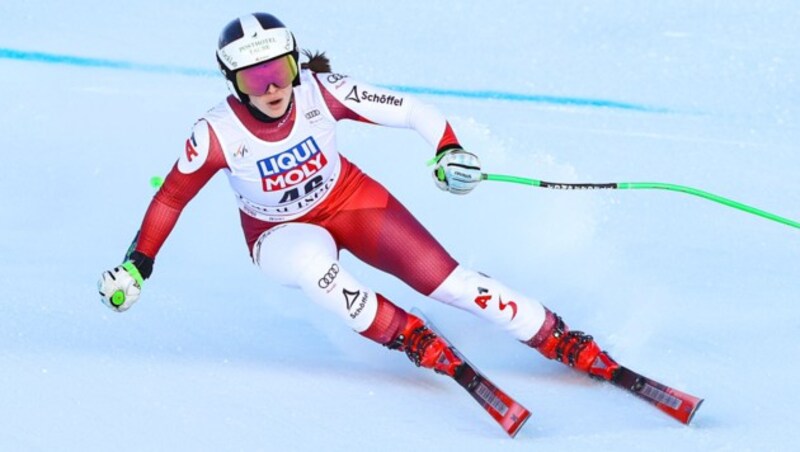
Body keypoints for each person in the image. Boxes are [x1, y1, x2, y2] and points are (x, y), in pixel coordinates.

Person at [98, 12, 618, 381]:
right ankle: (407, 334)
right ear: (232, 83)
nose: (272, 88)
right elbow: (170, 199)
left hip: (349, 199)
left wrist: (447, 148)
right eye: (254, 80)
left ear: (295, 65)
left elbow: (413, 111)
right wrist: (138, 265)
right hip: (278, 232)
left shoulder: (323, 91)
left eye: (279, 71)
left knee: (447, 280)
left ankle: (552, 334)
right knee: (312, 265)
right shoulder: (214, 133)